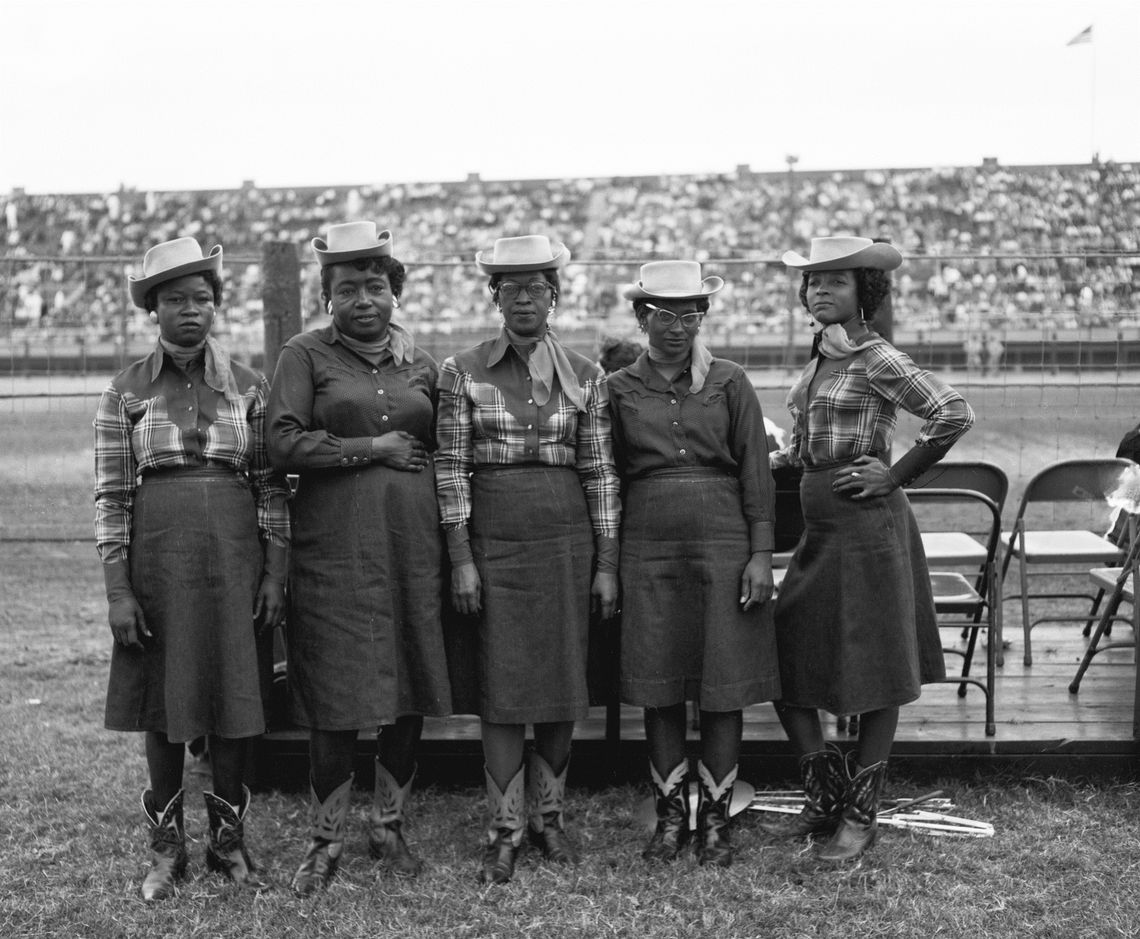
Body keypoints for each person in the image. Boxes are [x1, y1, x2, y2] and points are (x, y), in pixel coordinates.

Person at [766, 236, 974, 862]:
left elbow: (951, 412)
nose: (818, 290)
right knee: (782, 653)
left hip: (870, 525)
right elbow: (804, 451)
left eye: (834, 281)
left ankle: (860, 812)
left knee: (878, 668)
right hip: (821, 529)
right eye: (812, 282)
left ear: (865, 291)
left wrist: (895, 473)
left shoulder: (875, 356)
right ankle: (825, 792)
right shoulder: (821, 359)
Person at [94, 237, 290, 900]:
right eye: (175, 299)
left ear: (216, 307)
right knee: (164, 699)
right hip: (159, 562)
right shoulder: (125, 390)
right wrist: (119, 591)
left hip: (235, 560)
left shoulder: (249, 386)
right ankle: (166, 848)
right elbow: (112, 496)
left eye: (201, 299)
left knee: (235, 694)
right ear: (153, 308)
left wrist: (274, 571)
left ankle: (228, 844)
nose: (190, 311)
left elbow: (269, 486)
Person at [266, 221, 452, 895]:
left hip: (411, 548)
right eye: (348, 288)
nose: (364, 298)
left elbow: (447, 450)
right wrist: (372, 450)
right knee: (335, 693)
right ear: (328, 297)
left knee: (406, 685)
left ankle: (390, 825)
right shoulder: (304, 355)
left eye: (376, 285)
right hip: (334, 549)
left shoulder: (423, 365)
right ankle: (325, 839)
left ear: (395, 291)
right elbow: (281, 444)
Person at [435, 235, 620, 884]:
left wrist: (606, 561)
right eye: (509, 288)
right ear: (494, 297)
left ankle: (549, 817)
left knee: (564, 685)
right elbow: (451, 470)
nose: (522, 299)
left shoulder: (586, 375)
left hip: (566, 543)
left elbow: (599, 471)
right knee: (504, 687)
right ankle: (504, 826)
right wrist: (460, 557)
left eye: (535, 288)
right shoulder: (462, 371)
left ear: (553, 296)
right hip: (494, 542)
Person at [606, 261, 778, 867]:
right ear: (641, 316)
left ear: (703, 317)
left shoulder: (731, 381)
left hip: (724, 541)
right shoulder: (619, 388)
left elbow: (757, 473)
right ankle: (671, 816)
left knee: (721, 683)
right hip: (647, 543)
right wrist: (611, 561)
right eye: (662, 314)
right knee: (659, 684)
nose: (676, 326)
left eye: (689, 314)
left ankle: (717, 822)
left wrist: (760, 554)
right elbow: (608, 479)